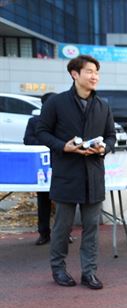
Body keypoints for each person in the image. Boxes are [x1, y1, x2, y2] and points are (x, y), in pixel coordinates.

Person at [37, 55, 116, 289]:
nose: (95, 77)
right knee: (62, 227)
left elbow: (111, 136)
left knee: (92, 228)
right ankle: (58, 270)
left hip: (94, 175)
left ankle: (89, 272)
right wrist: (63, 146)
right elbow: (41, 132)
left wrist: (104, 148)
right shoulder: (56, 103)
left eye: (97, 73)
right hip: (66, 174)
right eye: (90, 72)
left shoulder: (103, 106)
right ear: (75, 74)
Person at [23, 92, 74, 246]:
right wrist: (50, 141)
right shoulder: (34, 121)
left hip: (63, 165)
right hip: (43, 168)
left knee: (64, 203)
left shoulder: (65, 121)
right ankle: (44, 233)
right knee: (43, 201)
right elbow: (28, 140)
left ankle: (65, 234)